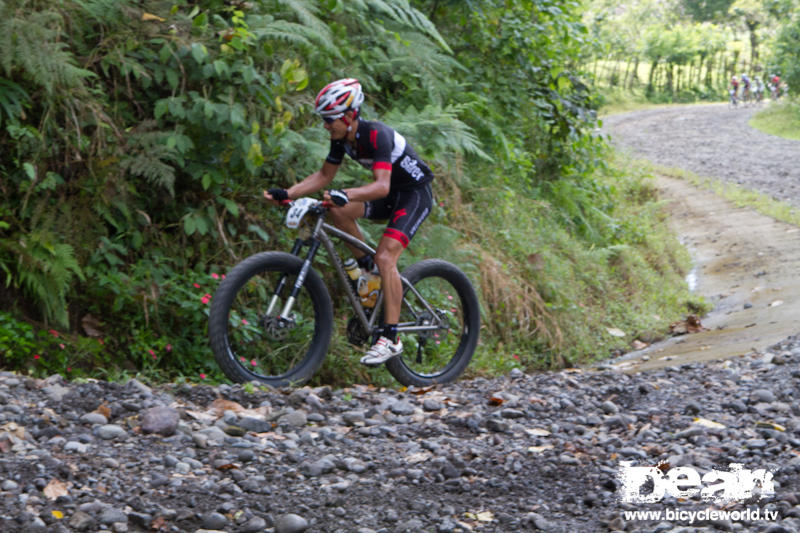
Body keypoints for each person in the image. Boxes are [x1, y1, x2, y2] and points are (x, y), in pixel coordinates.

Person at [263, 78, 435, 366]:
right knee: (336, 210)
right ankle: (369, 273)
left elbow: (380, 186)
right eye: (324, 120)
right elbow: (323, 177)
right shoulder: (341, 139)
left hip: (413, 195)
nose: (326, 126)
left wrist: (347, 193)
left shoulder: (376, 135)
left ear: (350, 114)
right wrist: (288, 193)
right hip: (392, 193)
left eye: (330, 120)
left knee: (386, 255)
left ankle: (391, 337)